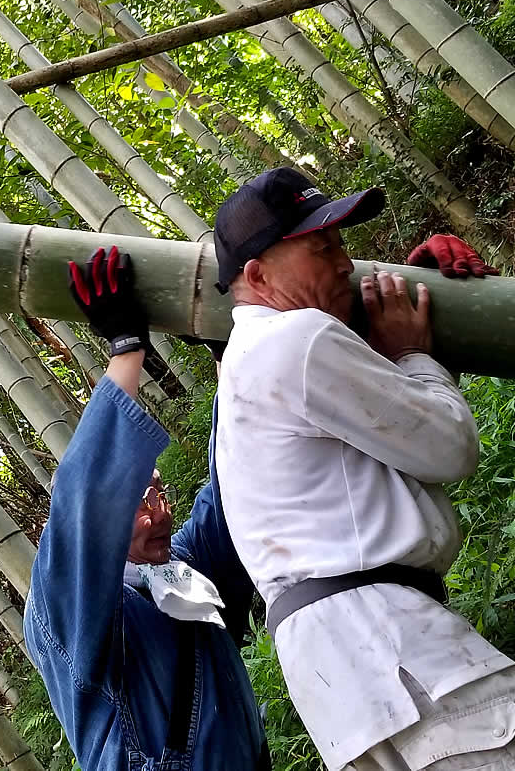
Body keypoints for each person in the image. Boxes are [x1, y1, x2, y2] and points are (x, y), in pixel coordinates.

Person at [212, 166, 514, 771]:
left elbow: (391, 432)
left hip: (342, 666)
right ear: (257, 274)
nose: (346, 263)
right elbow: (450, 448)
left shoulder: (253, 359)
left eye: (341, 244)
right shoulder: (294, 341)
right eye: (322, 247)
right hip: (387, 639)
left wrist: (420, 294)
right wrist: (412, 352)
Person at [24, 245, 268, 771]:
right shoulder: (71, 603)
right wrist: (126, 350)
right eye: (135, 504)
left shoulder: (181, 573)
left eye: (158, 496)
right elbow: (85, 508)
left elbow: (238, 486)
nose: (157, 514)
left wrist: (233, 359)